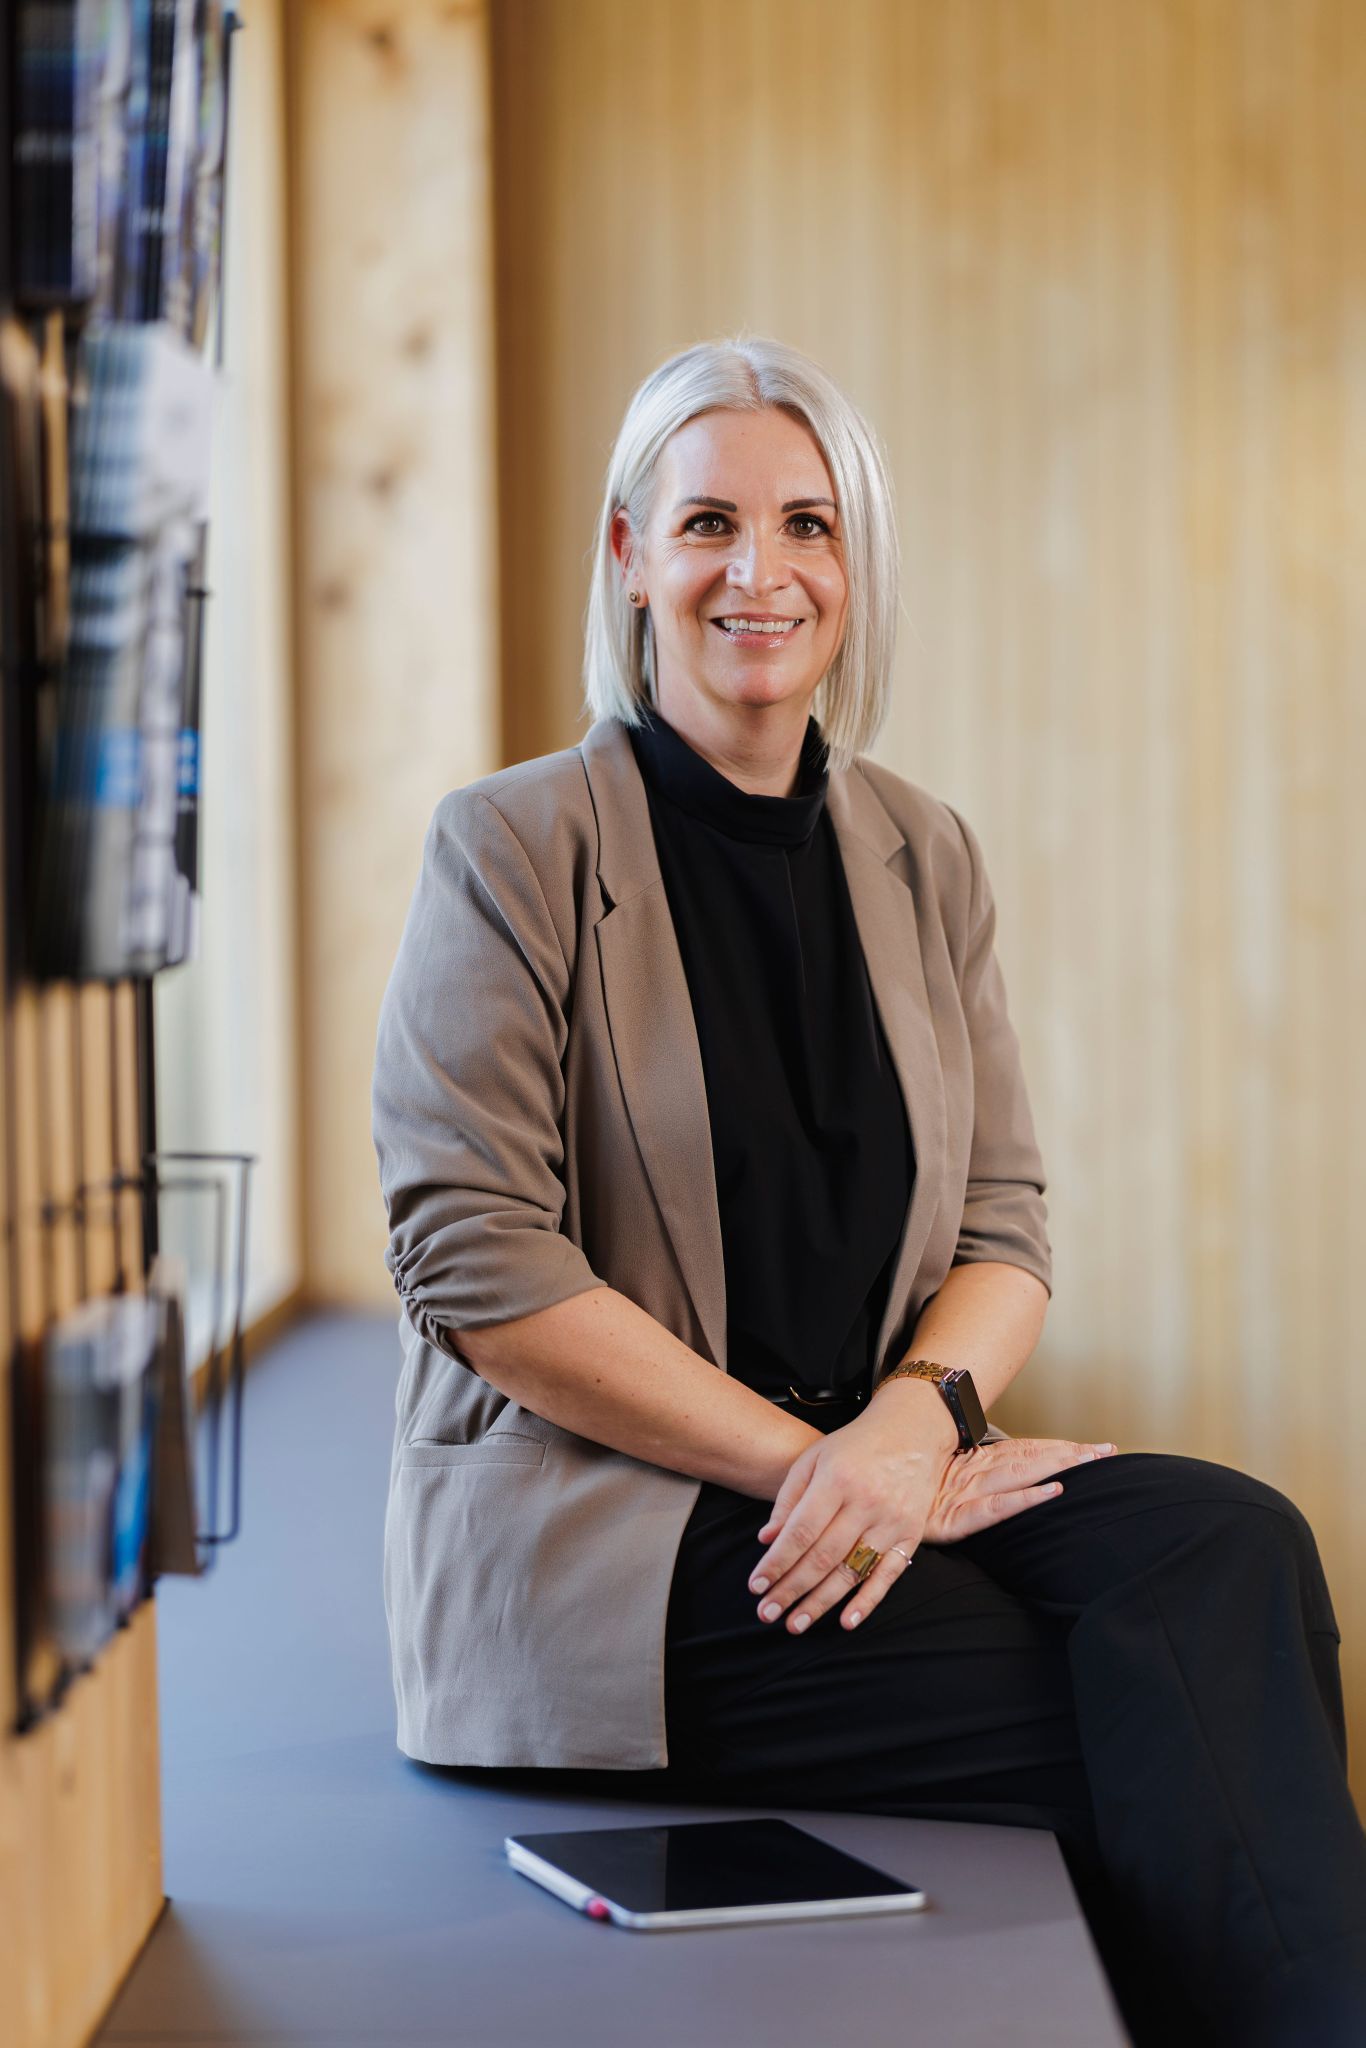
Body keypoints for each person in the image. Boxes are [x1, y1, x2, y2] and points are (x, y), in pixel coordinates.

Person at [371, 335, 1366, 2043]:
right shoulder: (513, 846)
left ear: (856, 567)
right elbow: (475, 1263)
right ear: (627, 556)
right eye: (706, 526)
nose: (759, 573)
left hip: (882, 1467)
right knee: (1186, 1724)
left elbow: (1003, 1224)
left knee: (1234, 1547)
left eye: (807, 527)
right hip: (625, 1540)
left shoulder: (922, 850)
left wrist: (910, 1431)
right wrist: (822, 1471)